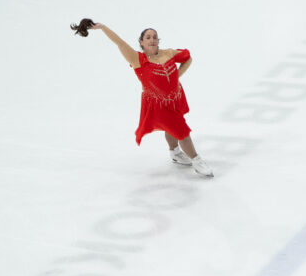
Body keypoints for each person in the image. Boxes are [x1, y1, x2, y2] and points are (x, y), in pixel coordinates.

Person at [72, 18, 213, 177]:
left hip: (175, 99)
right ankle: (196, 160)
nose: (152, 39)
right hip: (157, 104)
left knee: (172, 128)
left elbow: (188, 58)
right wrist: (103, 28)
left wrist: (177, 76)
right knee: (182, 130)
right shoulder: (138, 59)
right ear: (141, 43)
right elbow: (119, 42)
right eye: (148, 37)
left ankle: (174, 152)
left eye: (154, 37)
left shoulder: (169, 53)